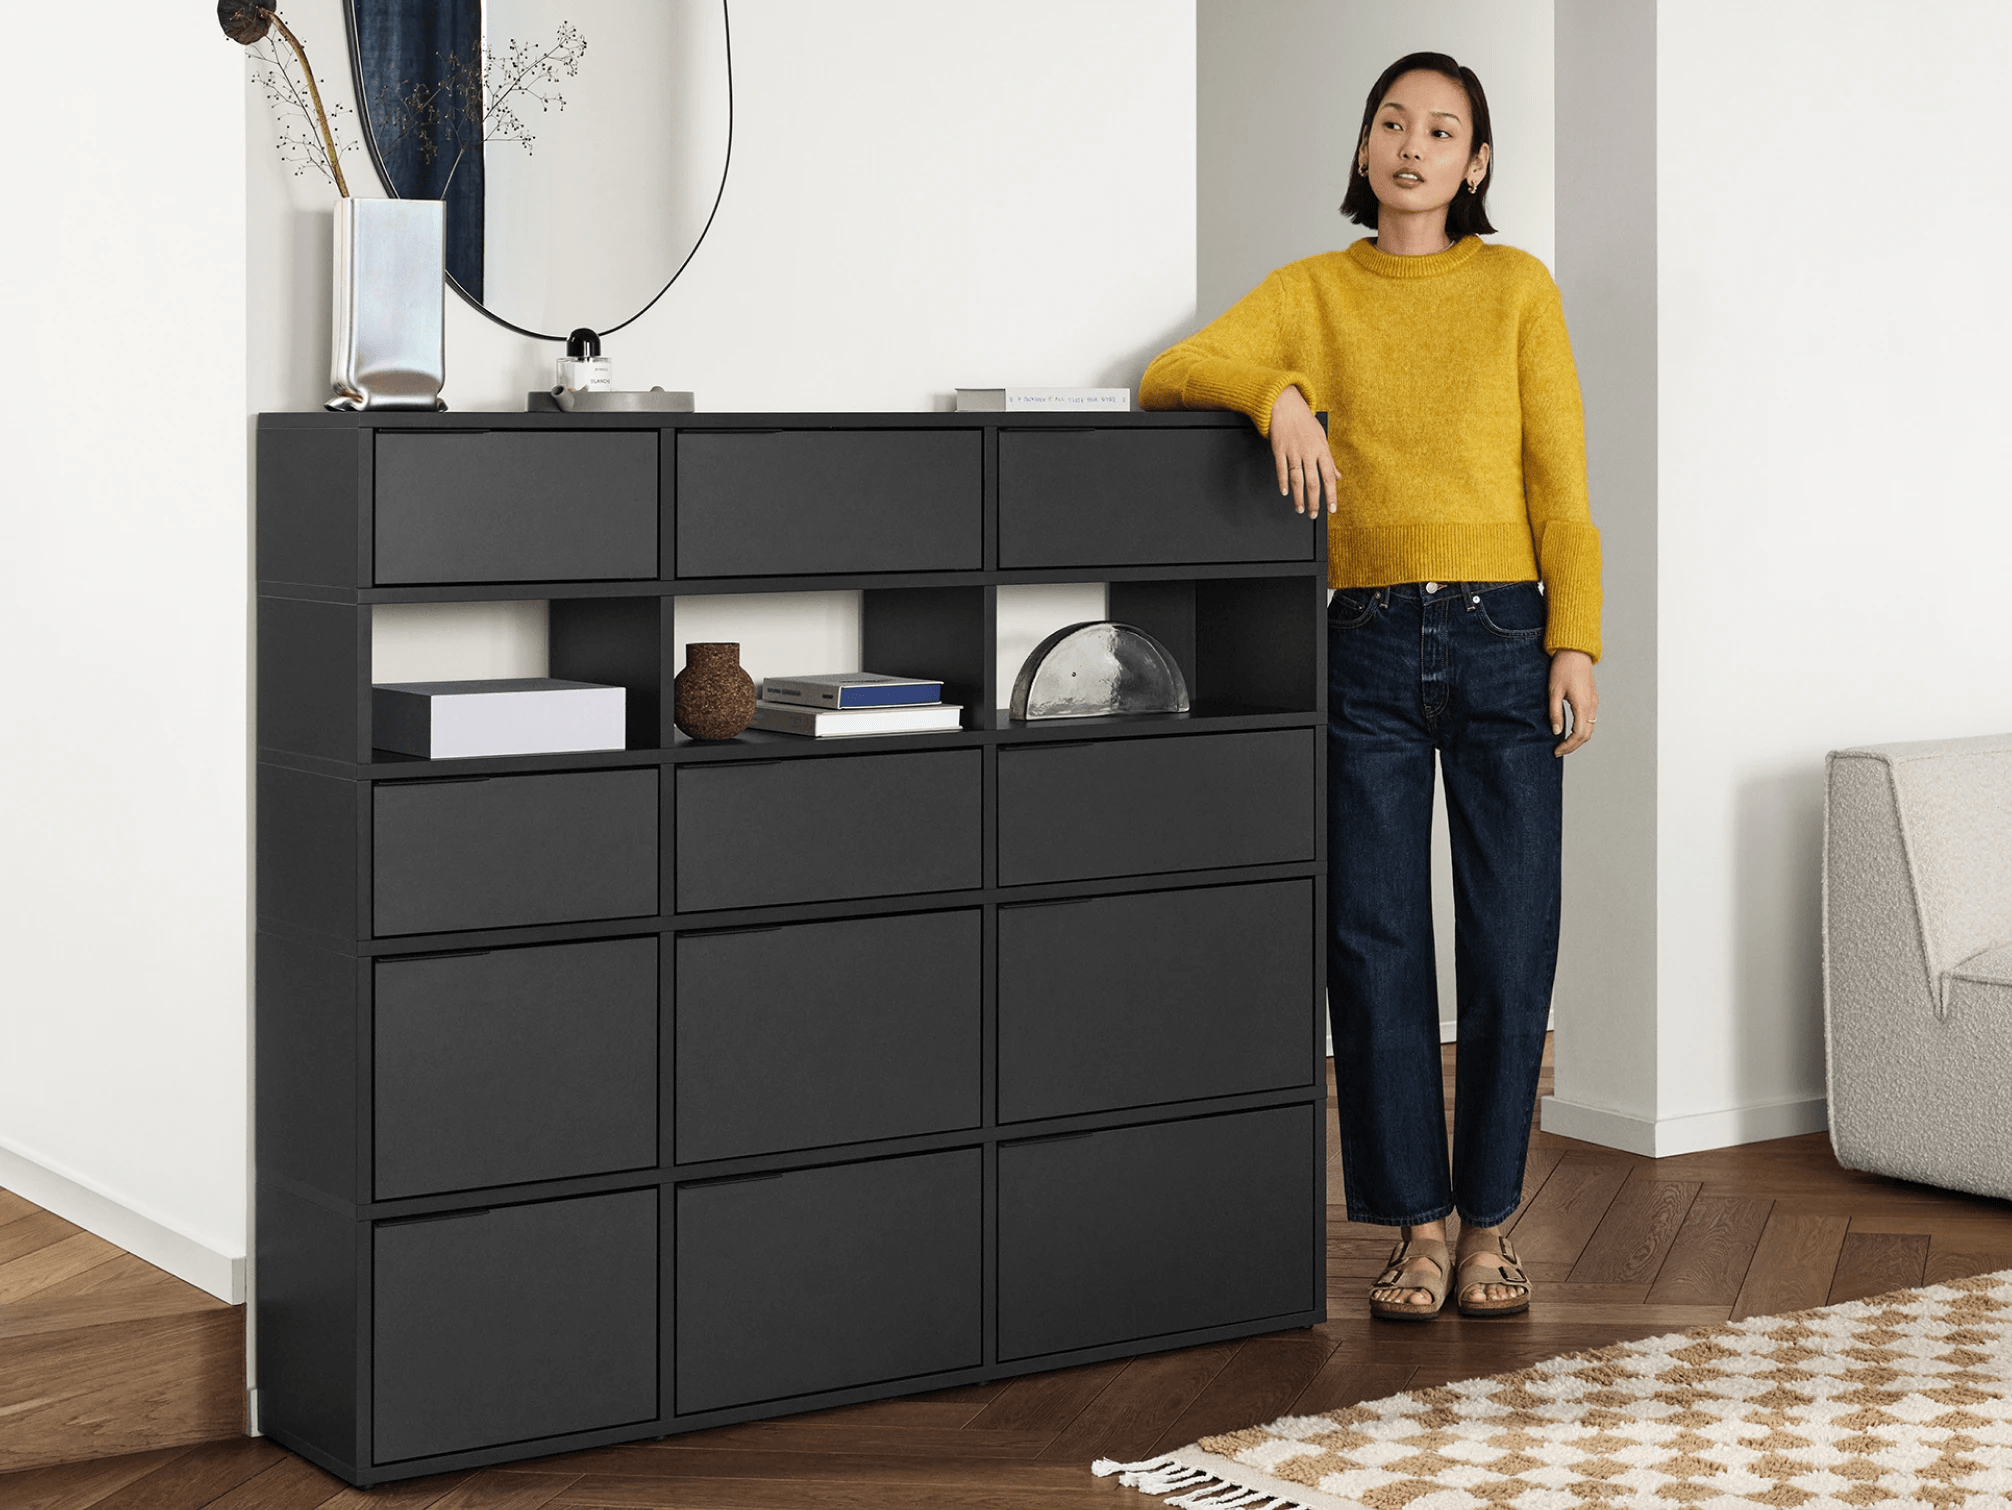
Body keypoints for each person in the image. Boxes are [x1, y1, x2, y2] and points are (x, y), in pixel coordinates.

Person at [1141, 52, 1600, 1320]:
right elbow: (1173, 371)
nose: (1412, 146)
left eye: (1440, 129)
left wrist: (1578, 640)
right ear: (1360, 151)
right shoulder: (1309, 292)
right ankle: (1414, 1226)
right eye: (1390, 123)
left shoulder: (1516, 288)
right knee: (1374, 940)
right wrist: (1277, 392)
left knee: (1511, 938)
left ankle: (1493, 1220)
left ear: (1477, 163)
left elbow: (1559, 482)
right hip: (1366, 643)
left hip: (1507, 635)